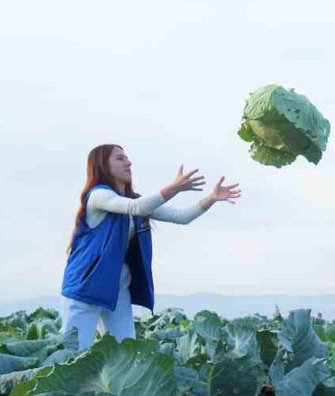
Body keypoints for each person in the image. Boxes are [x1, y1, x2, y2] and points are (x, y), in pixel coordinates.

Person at [60, 144, 240, 350]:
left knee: (125, 351)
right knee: (74, 353)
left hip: (117, 284)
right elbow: (137, 208)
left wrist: (212, 198)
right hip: (86, 285)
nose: (128, 162)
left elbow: (182, 217)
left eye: (127, 157)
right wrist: (175, 187)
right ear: (102, 165)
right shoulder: (98, 196)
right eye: (120, 158)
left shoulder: (133, 199)